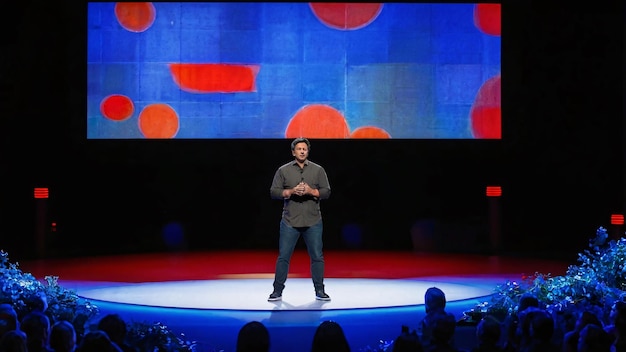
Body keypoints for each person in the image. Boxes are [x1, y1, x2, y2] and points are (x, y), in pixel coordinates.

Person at [268, 137, 331, 302]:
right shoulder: (283, 170)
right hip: (290, 221)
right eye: (299, 149)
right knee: (284, 257)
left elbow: (326, 192)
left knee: (317, 256)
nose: (302, 151)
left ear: (307, 151)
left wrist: (311, 191)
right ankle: (277, 291)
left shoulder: (318, 170)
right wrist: (290, 191)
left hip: (313, 220)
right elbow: (274, 192)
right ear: (293, 152)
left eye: (305, 149)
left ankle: (320, 290)